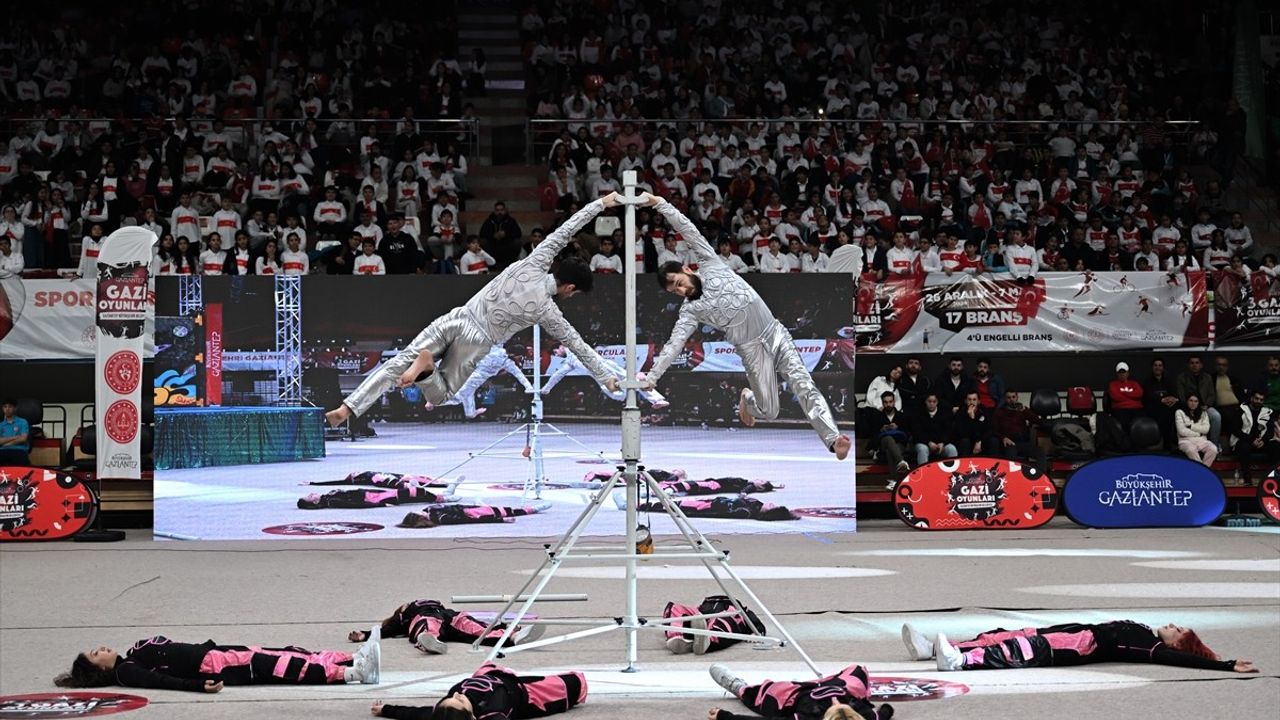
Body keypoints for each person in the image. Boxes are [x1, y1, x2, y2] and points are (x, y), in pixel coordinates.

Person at [326, 198, 621, 429]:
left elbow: (566, 229)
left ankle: (347, 408)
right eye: (574, 292)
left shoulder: (535, 260)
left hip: (456, 317)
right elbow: (578, 345)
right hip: (476, 341)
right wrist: (606, 377)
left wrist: (599, 205)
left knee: (396, 366)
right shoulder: (547, 310)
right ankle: (426, 369)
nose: (571, 296)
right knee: (440, 396)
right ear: (569, 286)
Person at [646, 193, 850, 459]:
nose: (679, 289)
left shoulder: (710, 263)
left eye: (678, 281)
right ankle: (749, 400)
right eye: (673, 289)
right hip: (751, 351)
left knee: (803, 383)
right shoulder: (689, 310)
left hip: (774, 332)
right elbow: (674, 346)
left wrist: (660, 204)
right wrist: (651, 378)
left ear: (686, 268)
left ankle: (833, 439)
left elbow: (687, 227)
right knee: (770, 411)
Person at [53, 632, 381, 691]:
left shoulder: (131, 654)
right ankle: (350, 675)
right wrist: (198, 686)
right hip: (215, 667)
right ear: (102, 669)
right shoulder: (127, 672)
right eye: (96, 655)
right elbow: (162, 682)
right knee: (281, 667)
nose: (101, 648)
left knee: (286, 652)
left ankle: (351, 656)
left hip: (216, 653)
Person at [902, 621, 1256, 674]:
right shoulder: (1146, 630)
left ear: (1178, 644)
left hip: (1076, 647)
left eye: (1177, 631)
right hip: (1072, 630)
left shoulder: (1151, 647)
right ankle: (931, 650)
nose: (1172, 626)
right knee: (1002, 633)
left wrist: (1224, 665)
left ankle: (959, 661)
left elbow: (1177, 660)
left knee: (1021, 648)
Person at [372, 662, 586, 719]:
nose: (457, 695)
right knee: (578, 683)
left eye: (450, 698)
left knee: (487, 664)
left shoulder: (444, 712)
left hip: (486, 675)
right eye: (460, 701)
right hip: (527, 693)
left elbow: (415, 713)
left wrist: (386, 709)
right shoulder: (493, 711)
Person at [348, 599, 543, 655]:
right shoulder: (405, 617)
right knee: (428, 625)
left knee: (473, 628)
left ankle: (512, 636)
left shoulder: (425, 606)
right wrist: (365, 634)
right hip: (426, 617)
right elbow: (388, 630)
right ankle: (429, 641)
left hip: (449, 615)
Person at [706, 663, 892, 720]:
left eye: (834, 709)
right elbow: (885, 711)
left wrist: (724, 716)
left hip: (793, 693)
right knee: (859, 671)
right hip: (841, 685)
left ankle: (738, 686)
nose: (836, 703)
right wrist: (884, 710)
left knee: (763, 694)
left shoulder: (806, 718)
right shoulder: (866, 716)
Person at [541, 345, 668, 408]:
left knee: (631, 381)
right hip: (600, 376)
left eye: (555, 351)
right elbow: (557, 375)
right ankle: (639, 382)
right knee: (619, 396)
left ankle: (656, 399)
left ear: (562, 346)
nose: (556, 355)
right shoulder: (569, 362)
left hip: (606, 366)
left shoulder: (575, 346)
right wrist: (547, 388)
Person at [432, 344, 534, 419]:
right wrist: (529, 387)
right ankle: (434, 402)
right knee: (459, 397)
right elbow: (519, 375)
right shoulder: (507, 362)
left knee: (467, 395)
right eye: (519, 356)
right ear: (513, 354)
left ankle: (471, 413)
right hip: (475, 376)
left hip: (467, 366)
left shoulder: (496, 347)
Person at [662, 595, 765, 655]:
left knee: (722, 622)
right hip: (703, 611)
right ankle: (679, 637)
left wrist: (758, 632)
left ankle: (707, 641)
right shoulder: (705, 607)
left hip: (727, 611)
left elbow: (755, 621)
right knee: (675, 609)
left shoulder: (739, 611)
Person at [991, 390, 1046, 472]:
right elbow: (994, 430)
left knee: (1040, 451)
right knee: (1011, 455)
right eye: (1009, 397)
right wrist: (1003, 438)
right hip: (1009, 443)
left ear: (1017, 397)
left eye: (1013, 397)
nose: (1011, 399)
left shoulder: (1022, 410)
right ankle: (1013, 479)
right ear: (1005, 399)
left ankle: (1041, 475)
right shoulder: (1000, 412)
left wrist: (1025, 411)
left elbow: (1038, 421)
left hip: (1022, 442)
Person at [1175, 356, 1221, 448]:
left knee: (1216, 416)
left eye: (1197, 363)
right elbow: (1181, 396)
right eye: (1192, 363)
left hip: (1204, 406)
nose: (1194, 365)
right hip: (1188, 407)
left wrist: (1207, 405)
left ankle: (1214, 446)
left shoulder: (1207, 377)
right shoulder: (1181, 377)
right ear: (1188, 365)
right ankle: (1189, 444)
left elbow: (1212, 395)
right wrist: (1190, 406)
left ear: (1201, 365)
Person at [868, 391, 910, 486]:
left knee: (890, 450)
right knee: (888, 438)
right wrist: (881, 430)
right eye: (886, 402)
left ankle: (894, 481)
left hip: (899, 443)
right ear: (882, 403)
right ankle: (901, 461)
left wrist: (898, 428)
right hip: (883, 443)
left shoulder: (901, 416)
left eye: (890, 402)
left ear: (894, 402)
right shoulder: (877, 417)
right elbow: (872, 434)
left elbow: (908, 433)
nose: (888, 404)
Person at [1234, 389, 1271, 485]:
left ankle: (1272, 478)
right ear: (1251, 398)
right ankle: (1247, 479)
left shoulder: (1267, 412)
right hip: (1244, 440)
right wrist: (1251, 440)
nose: (1258, 401)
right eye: (1256, 398)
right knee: (1244, 447)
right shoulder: (1241, 410)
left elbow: (1270, 431)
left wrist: (1264, 440)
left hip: (1260, 441)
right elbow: (1235, 430)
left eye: (1261, 400)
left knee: (1275, 446)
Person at [911, 393, 957, 467]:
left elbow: (949, 431)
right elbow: (917, 432)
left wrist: (943, 443)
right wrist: (928, 442)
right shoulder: (919, 413)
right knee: (922, 449)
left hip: (941, 444)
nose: (931, 404)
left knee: (952, 449)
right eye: (929, 401)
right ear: (925, 402)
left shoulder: (944, 413)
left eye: (934, 401)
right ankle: (924, 475)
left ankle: (952, 474)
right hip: (925, 443)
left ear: (937, 402)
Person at [1143, 358, 1181, 448]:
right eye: (1155, 365)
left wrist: (1172, 400)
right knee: (1163, 413)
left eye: (1160, 365)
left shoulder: (1168, 380)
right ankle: (1163, 442)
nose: (1158, 367)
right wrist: (1161, 400)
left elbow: (1174, 394)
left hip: (1168, 406)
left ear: (1163, 368)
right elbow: (1149, 396)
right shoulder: (1147, 381)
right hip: (1153, 408)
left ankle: (1176, 441)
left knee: (1177, 410)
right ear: (1152, 367)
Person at [1176, 393, 1217, 466]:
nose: (1193, 403)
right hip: (1185, 440)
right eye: (1191, 401)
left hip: (1202, 440)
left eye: (1196, 401)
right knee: (1191, 449)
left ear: (1199, 403)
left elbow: (1206, 430)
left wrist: (1191, 426)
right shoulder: (1179, 412)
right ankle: (1201, 471)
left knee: (1213, 449)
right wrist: (1199, 433)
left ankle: (1203, 470)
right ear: (1187, 401)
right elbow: (1182, 431)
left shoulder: (1203, 413)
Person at [1106, 362, 1144, 433]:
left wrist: (1123, 393)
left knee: (1141, 424)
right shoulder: (1113, 384)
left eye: (1124, 372)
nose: (1122, 374)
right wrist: (1131, 396)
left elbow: (1139, 394)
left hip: (1136, 409)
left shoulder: (1134, 383)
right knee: (1124, 424)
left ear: (1128, 373)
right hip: (1120, 410)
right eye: (1120, 372)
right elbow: (1115, 397)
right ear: (1117, 374)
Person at [951, 391, 989, 457]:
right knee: (965, 441)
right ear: (965, 401)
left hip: (981, 440)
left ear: (979, 401)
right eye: (969, 399)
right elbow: (961, 433)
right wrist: (971, 418)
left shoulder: (984, 411)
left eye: (974, 399)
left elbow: (989, 429)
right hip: (966, 440)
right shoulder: (960, 412)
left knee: (992, 441)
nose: (972, 402)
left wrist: (979, 441)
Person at [0, 398, 30, 464]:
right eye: (5, 407)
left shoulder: (23, 422)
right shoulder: (1, 425)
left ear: (15, 408)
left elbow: (23, 438)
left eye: (10, 407)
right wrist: (15, 437)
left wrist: (6, 444)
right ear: (2, 409)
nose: (7, 409)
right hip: (3, 451)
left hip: (19, 450)